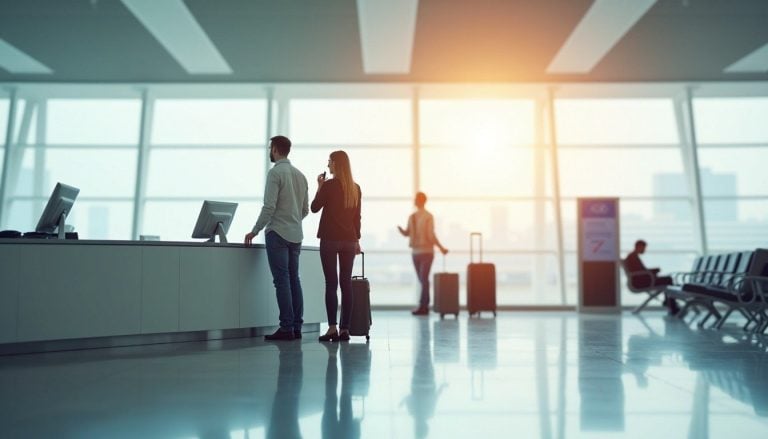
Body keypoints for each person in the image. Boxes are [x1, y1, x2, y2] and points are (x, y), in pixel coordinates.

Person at [245, 135, 309, 341]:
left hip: (278, 234)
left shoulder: (275, 174)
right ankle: (297, 327)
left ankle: (286, 328)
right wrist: (293, 219)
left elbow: (269, 207)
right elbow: (305, 210)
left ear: (275, 150)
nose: (269, 151)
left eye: (270, 148)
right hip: (296, 234)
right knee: (294, 280)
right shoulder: (301, 175)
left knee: (282, 281)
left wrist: (254, 231)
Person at [311, 150, 362, 342]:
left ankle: (332, 328)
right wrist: (357, 240)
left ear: (336, 164)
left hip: (330, 240)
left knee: (331, 284)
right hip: (349, 241)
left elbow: (314, 208)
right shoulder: (355, 188)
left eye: (329, 162)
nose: (328, 165)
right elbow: (357, 218)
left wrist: (319, 186)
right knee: (346, 284)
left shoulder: (329, 186)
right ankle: (345, 330)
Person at [397, 192, 448, 316]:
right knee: (422, 279)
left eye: (416, 199)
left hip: (425, 252)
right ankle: (424, 305)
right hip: (416, 252)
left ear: (420, 201)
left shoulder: (428, 216)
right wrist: (402, 231)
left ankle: (424, 306)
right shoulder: (412, 216)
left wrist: (441, 247)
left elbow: (430, 235)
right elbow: (408, 233)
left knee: (423, 279)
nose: (414, 201)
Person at [624, 240, 680, 315]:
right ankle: (672, 305)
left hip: (640, 281)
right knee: (668, 279)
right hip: (640, 283)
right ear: (639, 247)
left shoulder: (632, 256)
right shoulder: (633, 257)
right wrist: (653, 271)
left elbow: (641, 271)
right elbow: (641, 272)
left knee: (667, 281)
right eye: (644, 248)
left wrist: (653, 271)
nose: (644, 250)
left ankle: (669, 303)